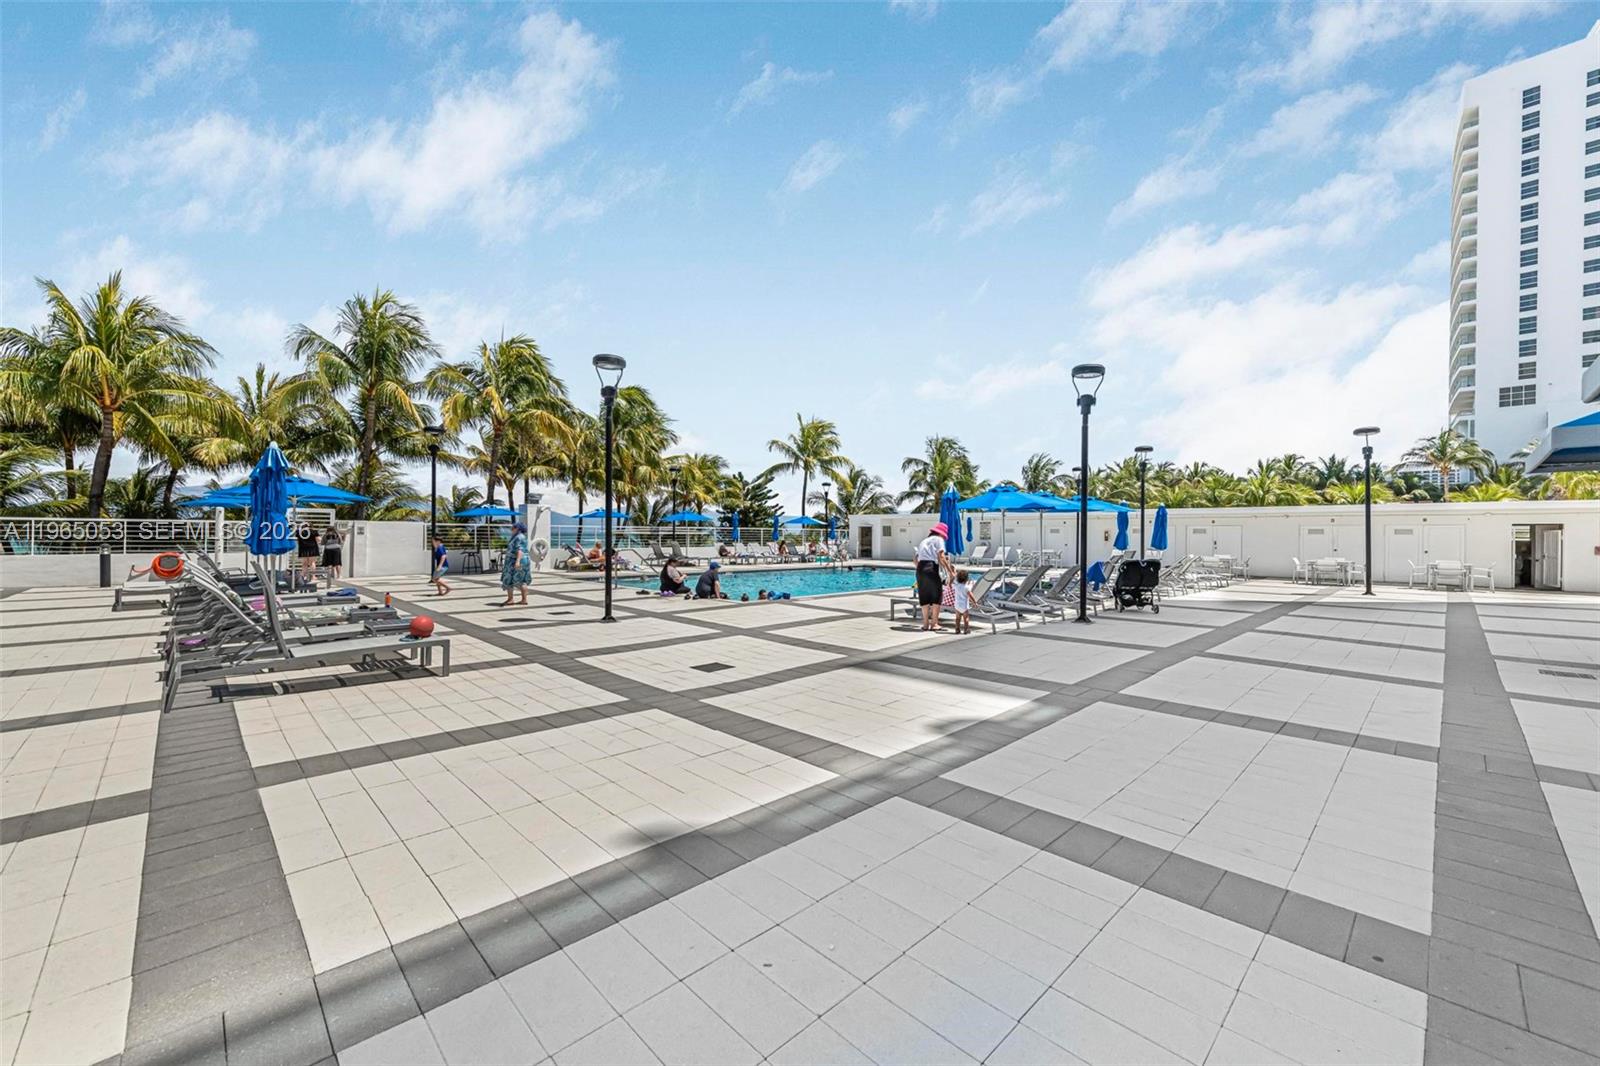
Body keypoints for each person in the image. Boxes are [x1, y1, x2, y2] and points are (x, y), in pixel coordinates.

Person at [915, 521, 951, 631]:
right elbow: (941, 556)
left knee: (924, 596)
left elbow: (915, 559)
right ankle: (934, 624)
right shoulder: (939, 539)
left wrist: (921, 570)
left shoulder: (924, 541)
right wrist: (950, 571)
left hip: (920, 569)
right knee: (937, 595)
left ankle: (925, 624)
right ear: (941, 533)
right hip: (931, 567)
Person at [500, 521, 532, 606]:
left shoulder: (518, 537)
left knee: (509, 579)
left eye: (513, 527)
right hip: (522, 560)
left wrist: (517, 561)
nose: (511, 529)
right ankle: (524, 600)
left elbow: (520, 550)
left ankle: (510, 599)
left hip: (515, 560)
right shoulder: (520, 536)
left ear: (518, 528)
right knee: (522, 580)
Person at [951, 569, 973, 634]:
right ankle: (966, 629)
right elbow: (970, 595)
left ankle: (957, 629)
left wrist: (953, 577)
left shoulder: (956, 586)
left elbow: (950, 584)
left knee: (957, 618)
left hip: (957, 605)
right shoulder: (967, 587)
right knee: (966, 618)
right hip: (964, 606)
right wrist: (974, 602)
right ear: (966, 579)